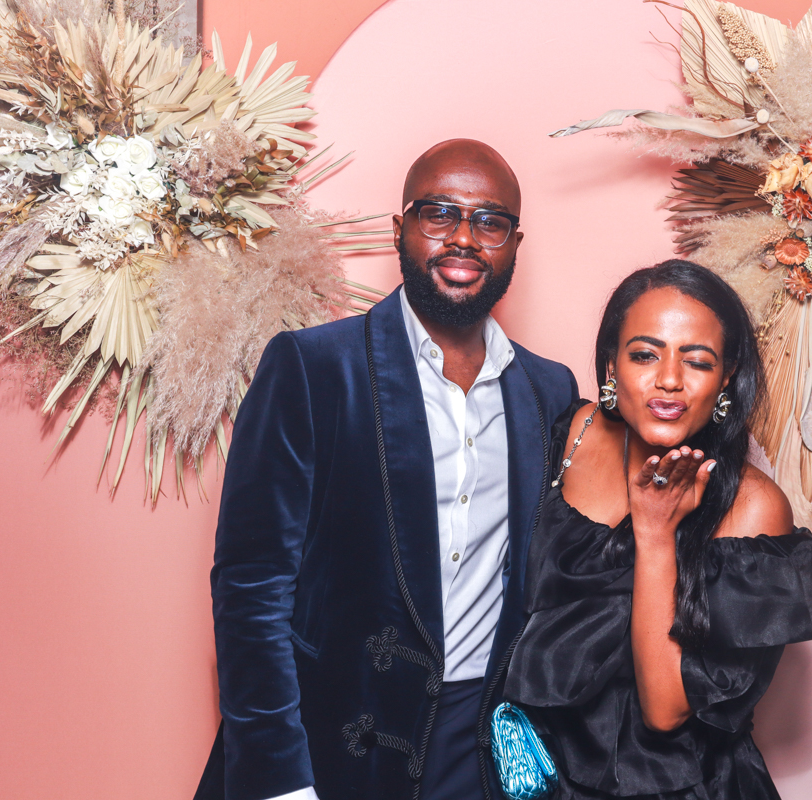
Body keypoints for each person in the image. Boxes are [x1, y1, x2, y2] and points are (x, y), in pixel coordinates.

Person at [194, 139, 578, 800]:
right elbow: (251, 589)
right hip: (327, 746)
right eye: (439, 214)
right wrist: (280, 781)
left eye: (488, 222)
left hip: (476, 753)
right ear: (399, 229)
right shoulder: (313, 369)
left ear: (514, 242)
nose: (463, 237)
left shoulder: (548, 392)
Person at [503, 260, 812, 799]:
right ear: (611, 366)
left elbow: (665, 710)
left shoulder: (753, 507)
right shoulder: (578, 432)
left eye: (697, 361)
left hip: (672, 785)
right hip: (539, 774)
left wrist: (655, 534)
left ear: (726, 378)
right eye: (644, 354)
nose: (670, 379)